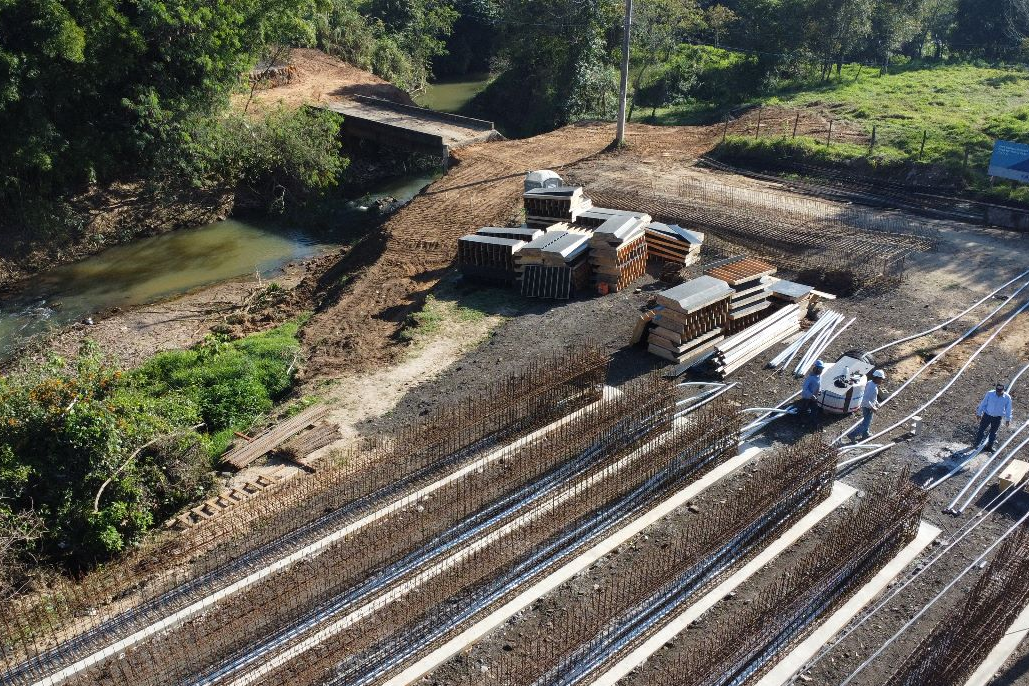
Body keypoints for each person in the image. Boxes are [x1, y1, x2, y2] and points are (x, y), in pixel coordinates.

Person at [848, 369, 886, 442]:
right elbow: (866, 399)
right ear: (877, 378)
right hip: (867, 407)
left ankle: (865, 434)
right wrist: (872, 407)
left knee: (867, 421)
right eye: (881, 379)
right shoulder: (873, 388)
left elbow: (872, 397)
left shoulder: (870, 383)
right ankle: (852, 435)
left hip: (867, 406)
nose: (882, 380)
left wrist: (876, 403)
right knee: (865, 423)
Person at [974, 382, 1013, 452]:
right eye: (997, 391)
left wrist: (1008, 419)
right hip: (987, 415)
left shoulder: (1007, 398)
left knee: (993, 432)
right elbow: (983, 403)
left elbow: (1008, 409)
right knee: (981, 430)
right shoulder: (990, 394)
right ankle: (976, 444)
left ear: (1003, 390)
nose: (998, 393)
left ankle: (989, 447)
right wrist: (979, 413)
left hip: (997, 418)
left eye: (1000, 391)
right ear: (996, 389)